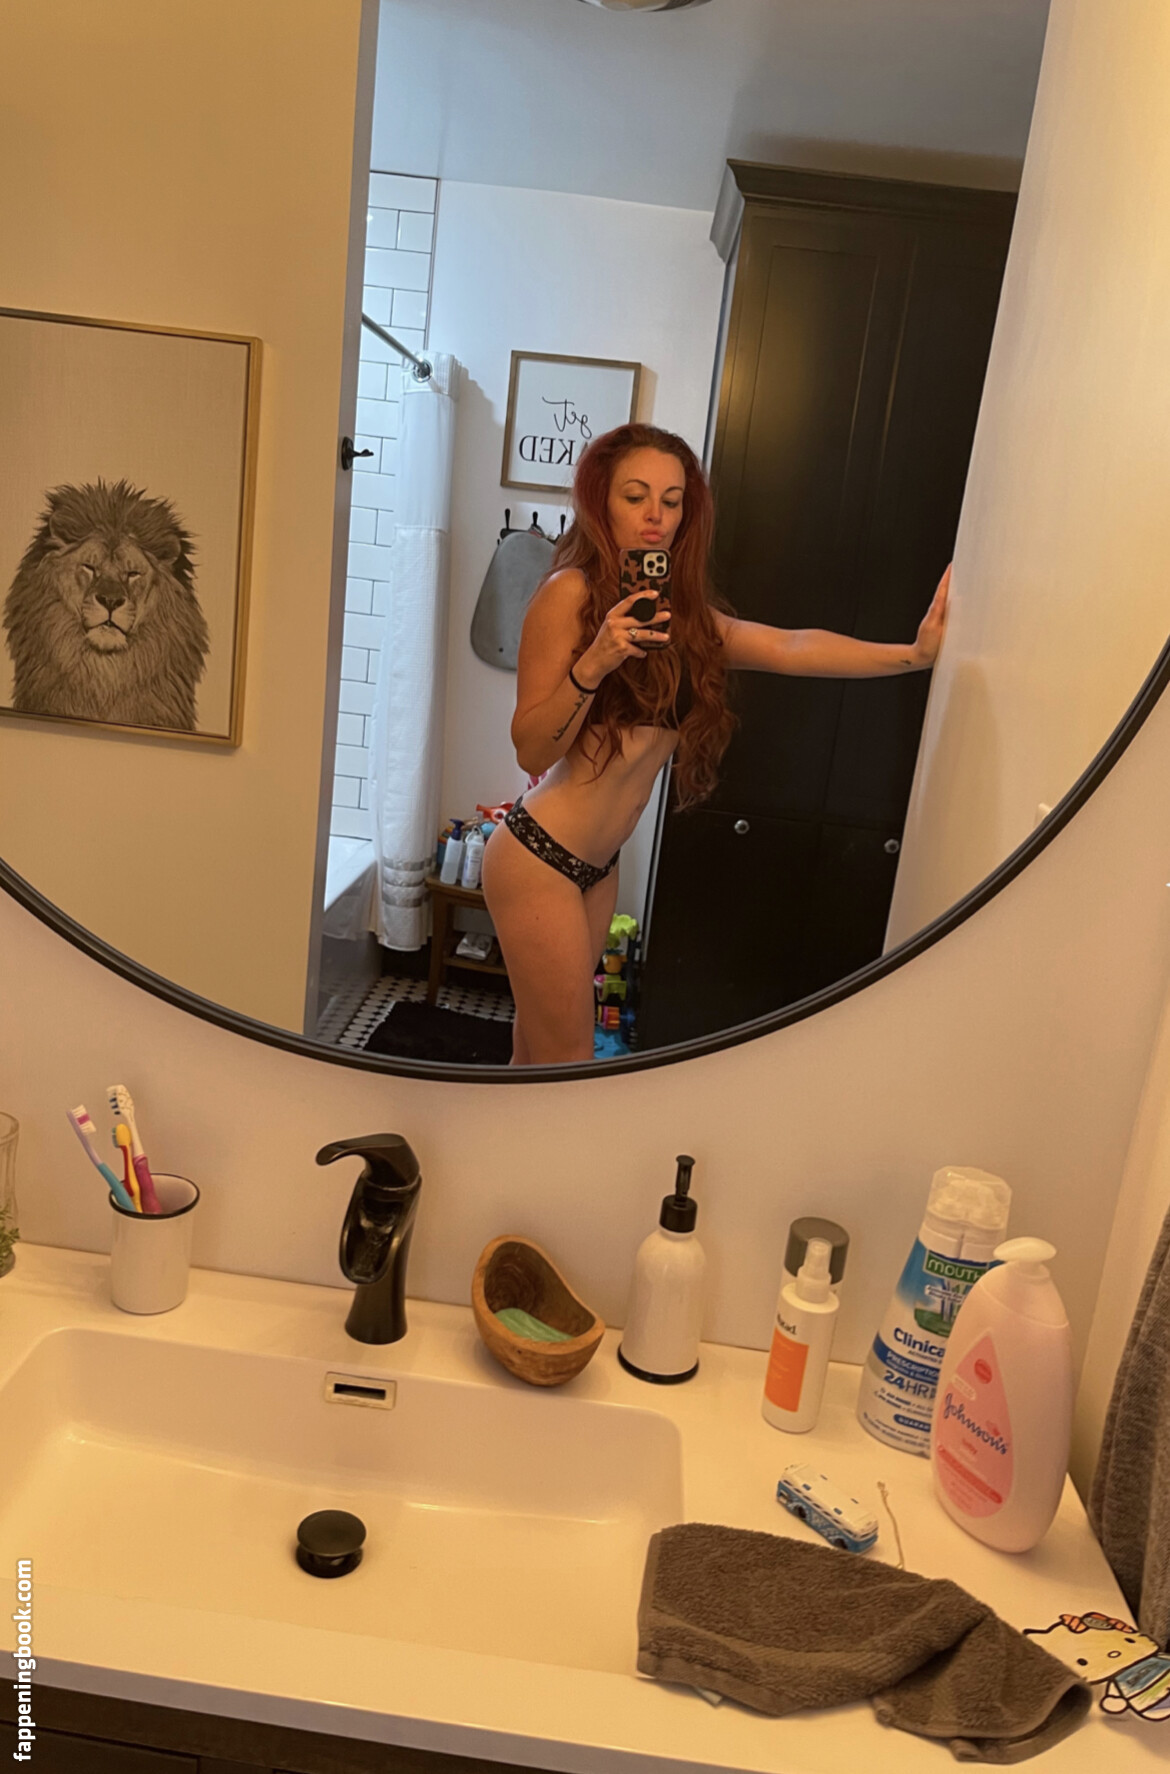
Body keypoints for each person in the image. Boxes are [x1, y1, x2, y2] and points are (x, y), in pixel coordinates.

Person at [481, 423, 948, 1065]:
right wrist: (596, 661)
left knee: (535, 1055)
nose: (655, 516)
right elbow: (531, 752)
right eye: (635, 496)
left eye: (671, 501)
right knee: (568, 1063)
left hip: (598, 866)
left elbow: (789, 646)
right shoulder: (570, 593)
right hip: (539, 856)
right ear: (601, 502)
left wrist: (912, 656)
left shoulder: (686, 618)